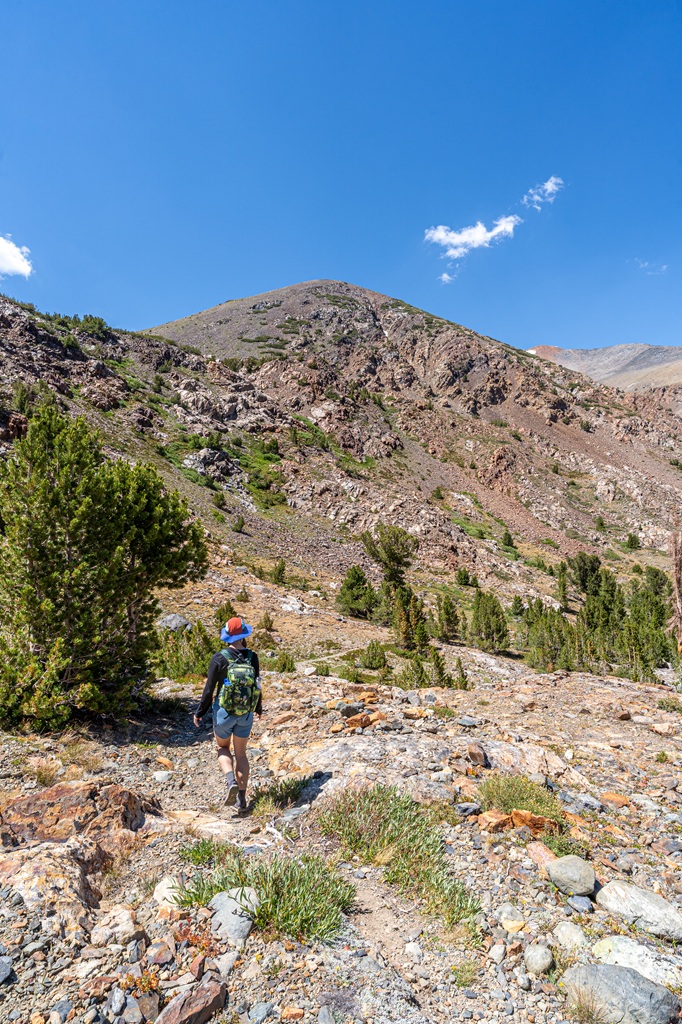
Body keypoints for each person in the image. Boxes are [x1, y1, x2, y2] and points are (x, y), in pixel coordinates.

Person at [193, 616, 262, 811]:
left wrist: (200, 712)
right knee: (241, 753)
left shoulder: (219, 657)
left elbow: (209, 689)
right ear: (243, 635)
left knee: (223, 748)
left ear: (227, 636)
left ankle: (231, 781)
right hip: (245, 713)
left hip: (223, 713)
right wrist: (257, 708)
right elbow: (257, 685)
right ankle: (242, 799)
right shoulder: (252, 657)